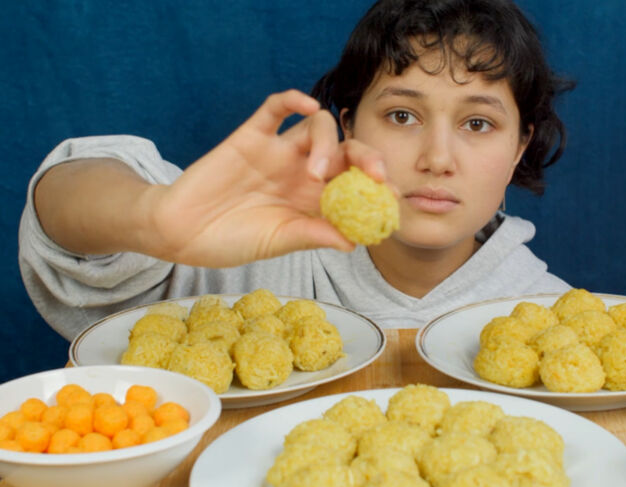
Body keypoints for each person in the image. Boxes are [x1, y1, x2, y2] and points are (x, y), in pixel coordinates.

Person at [19, 0, 572, 341]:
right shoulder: (238, 258)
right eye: (402, 115)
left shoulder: (557, 321)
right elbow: (64, 205)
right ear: (349, 127)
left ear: (519, 146)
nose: (437, 158)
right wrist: (150, 219)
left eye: (477, 123)